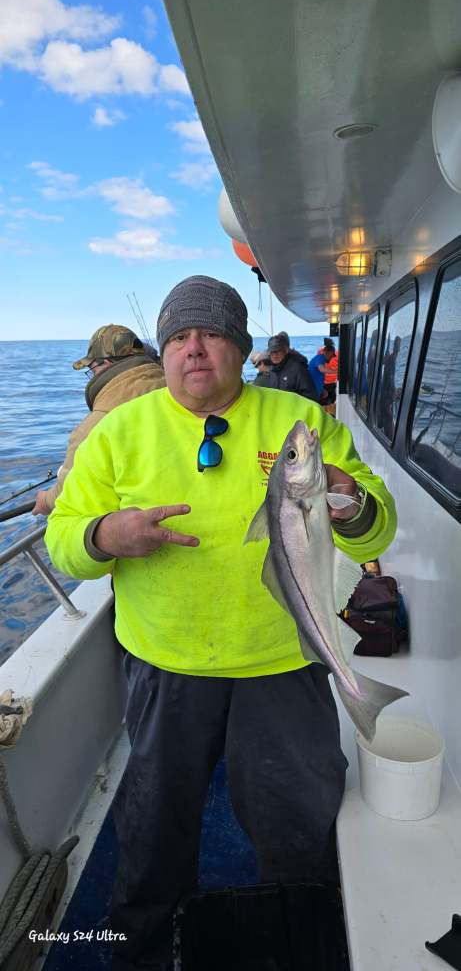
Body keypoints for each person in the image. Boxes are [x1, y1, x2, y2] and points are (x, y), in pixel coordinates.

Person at [45, 275, 397, 971]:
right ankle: (140, 952)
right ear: (162, 352)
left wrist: (353, 504)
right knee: (151, 831)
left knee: (298, 824)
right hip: (164, 666)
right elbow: (63, 539)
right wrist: (104, 535)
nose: (193, 348)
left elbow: (371, 530)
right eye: (178, 336)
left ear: (238, 349)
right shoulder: (118, 433)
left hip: (283, 662)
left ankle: (302, 939)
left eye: (210, 334)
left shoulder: (299, 422)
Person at [32, 325, 165, 515]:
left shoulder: (97, 424)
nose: (92, 377)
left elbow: (69, 490)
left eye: (92, 369)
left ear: (106, 364)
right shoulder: (176, 391)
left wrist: (45, 500)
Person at [265, 332, 318, 401]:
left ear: (286, 350)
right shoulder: (272, 370)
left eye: (278, 351)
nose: (275, 355)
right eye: (272, 352)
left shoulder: (298, 368)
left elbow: (311, 396)